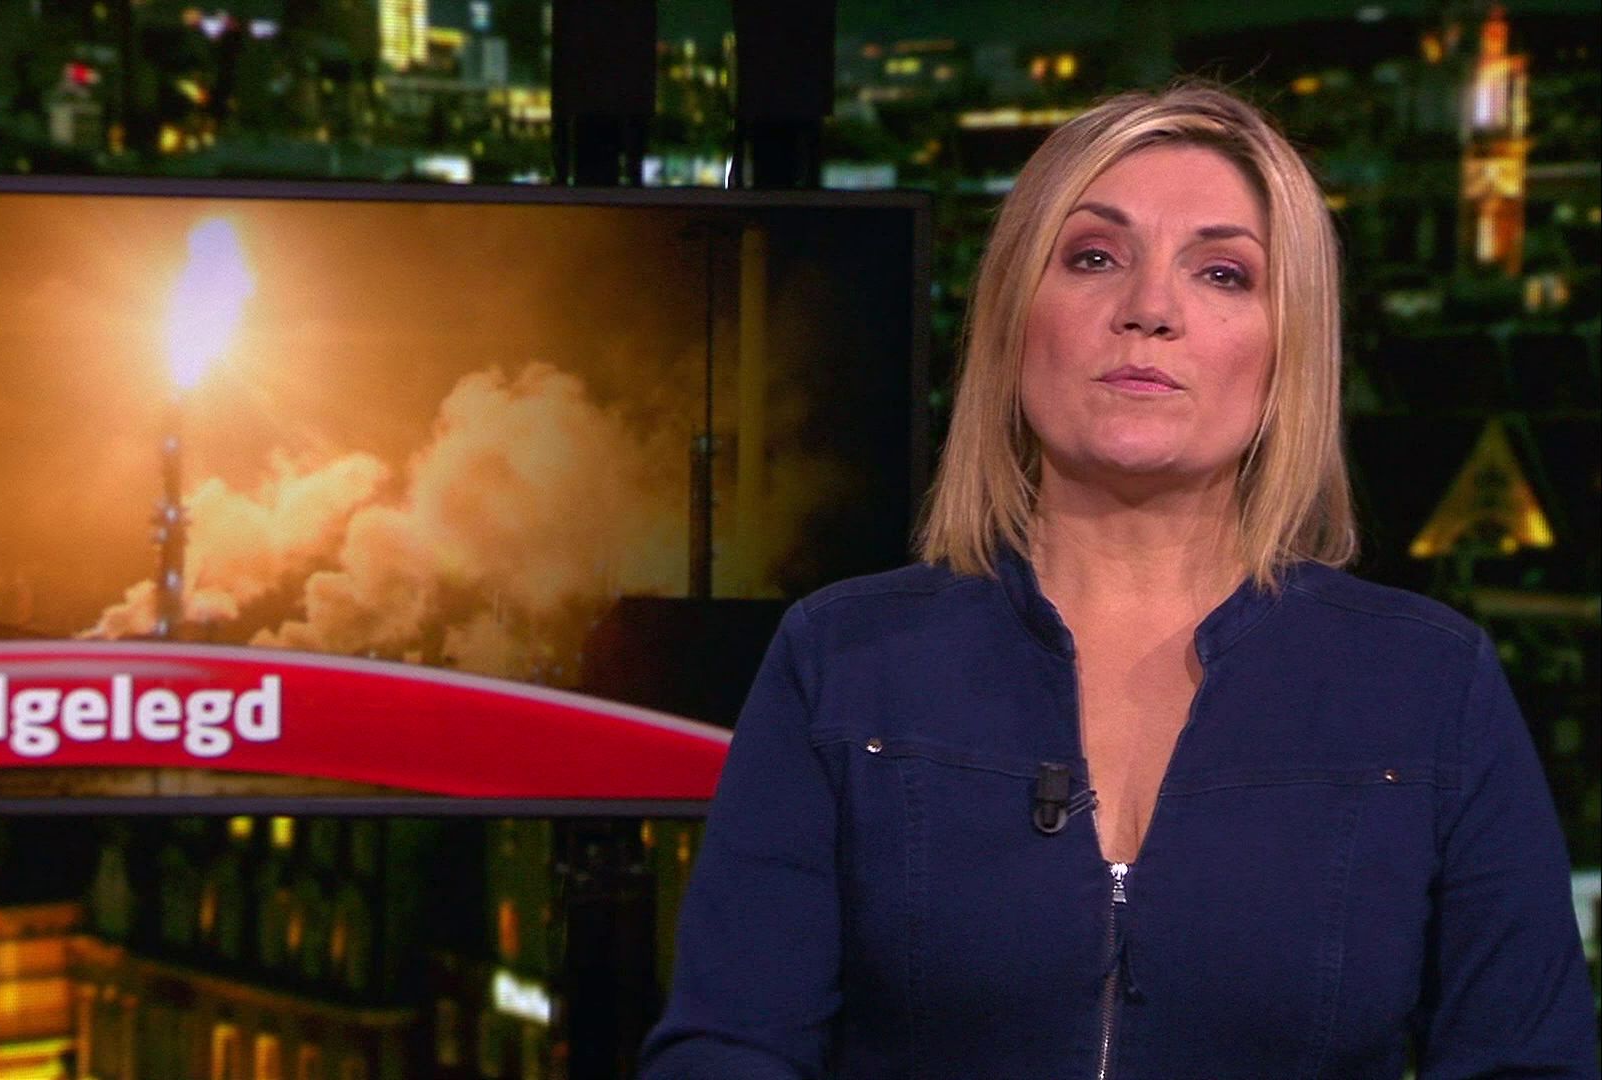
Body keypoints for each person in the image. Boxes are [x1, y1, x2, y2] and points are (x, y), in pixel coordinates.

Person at [637, 83, 1599, 1079]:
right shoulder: (843, 661)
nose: (1148, 310)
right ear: (1014, 318)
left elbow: (1528, 1064)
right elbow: (729, 1048)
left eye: (1223, 273)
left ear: (1288, 352)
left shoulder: (1428, 685)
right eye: (1094, 257)